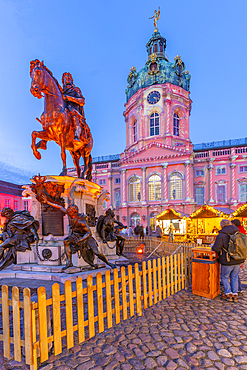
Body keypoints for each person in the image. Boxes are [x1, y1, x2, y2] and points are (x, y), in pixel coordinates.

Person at [41, 196, 115, 270]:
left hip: (86, 237)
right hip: (76, 235)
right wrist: (47, 202)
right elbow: (60, 208)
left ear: (74, 212)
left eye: (70, 212)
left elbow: (89, 233)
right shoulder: (70, 215)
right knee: (66, 241)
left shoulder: (81, 221)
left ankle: (108, 263)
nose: (68, 213)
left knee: (97, 252)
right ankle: (69, 262)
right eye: (68, 211)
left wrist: (81, 239)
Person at [212, 219, 245, 302]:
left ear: (221, 226)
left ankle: (228, 294)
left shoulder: (221, 235)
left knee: (224, 277)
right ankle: (235, 295)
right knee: (234, 277)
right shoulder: (237, 232)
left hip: (227, 260)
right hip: (238, 259)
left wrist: (212, 247)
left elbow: (216, 248)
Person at [62, 72, 88, 141]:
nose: (67, 79)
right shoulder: (61, 91)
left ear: (71, 80)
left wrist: (68, 98)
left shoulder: (76, 90)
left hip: (74, 110)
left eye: (68, 78)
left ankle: (77, 135)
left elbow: (82, 101)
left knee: (74, 118)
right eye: (65, 78)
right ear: (63, 81)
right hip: (64, 110)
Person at [231, 219, 246, 295]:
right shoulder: (242, 231)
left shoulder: (237, 232)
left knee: (234, 274)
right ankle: (238, 288)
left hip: (237, 255)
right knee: (235, 273)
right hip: (241, 255)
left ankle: (237, 289)